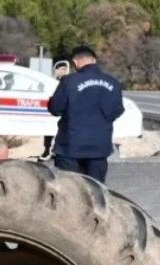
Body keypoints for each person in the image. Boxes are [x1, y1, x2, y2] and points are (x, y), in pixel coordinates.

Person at [47, 45, 123, 183]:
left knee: (69, 189)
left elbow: (55, 108)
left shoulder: (69, 81)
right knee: (96, 189)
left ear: (76, 62)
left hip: (70, 146)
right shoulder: (113, 83)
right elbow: (117, 110)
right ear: (94, 60)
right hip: (99, 146)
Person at [40, 60, 70, 161]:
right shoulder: (49, 82)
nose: (61, 71)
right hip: (52, 110)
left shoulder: (69, 83)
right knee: (48, 132)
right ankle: (47, 149)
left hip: (64, 111)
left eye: (64, 69)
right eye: (59, 69)